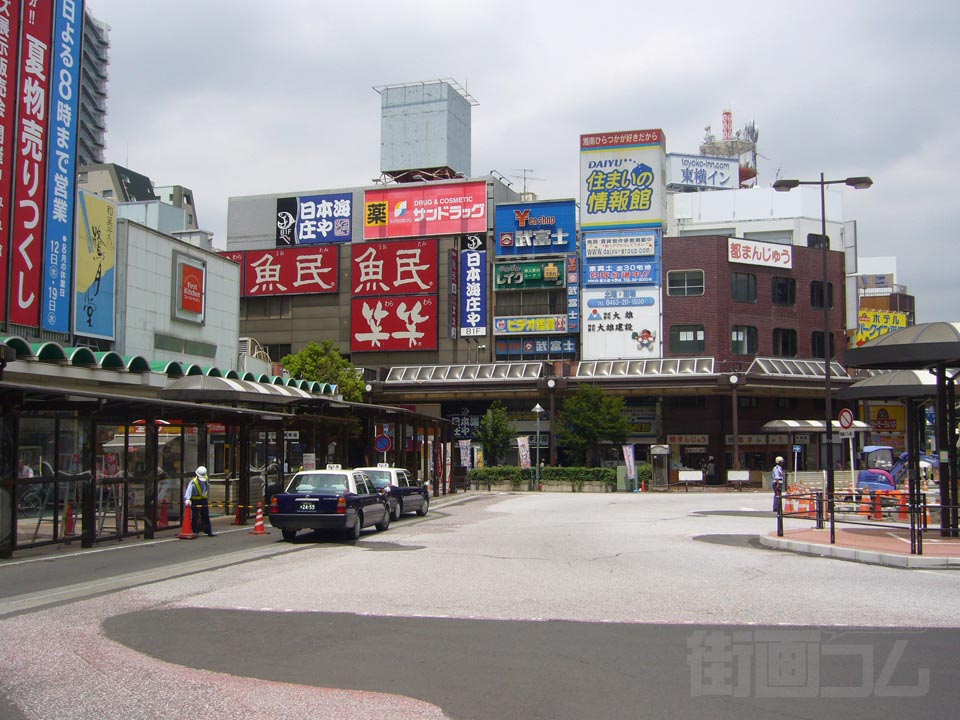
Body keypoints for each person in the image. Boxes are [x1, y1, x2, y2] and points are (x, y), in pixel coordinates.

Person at [184, 465, 215, 536]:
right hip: (195, 500)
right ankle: (195, 531)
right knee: (195, 516)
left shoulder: (206, 478)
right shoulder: (193, 482)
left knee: (205, 515)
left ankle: (208, 531)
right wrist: (187, 499)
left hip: (203, 499)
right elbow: (188, 491)